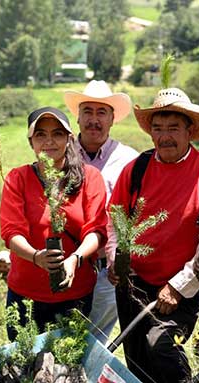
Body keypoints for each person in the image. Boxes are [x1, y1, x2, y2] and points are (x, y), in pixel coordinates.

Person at [107, 88, 199, 383]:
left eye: (173, 129)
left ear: (189, 131)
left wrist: (179, 287)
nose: (164, 137)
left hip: (180, 285)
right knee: (138, 362)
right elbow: (115, 220)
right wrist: (114, 257)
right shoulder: (137, 169)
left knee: (162, 345)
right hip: (133, 282)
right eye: (158, 129)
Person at [0, 107, 107, 340]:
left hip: (75, 294)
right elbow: (11, 231)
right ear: (31, 142)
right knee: (23, 367)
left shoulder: (90, 178)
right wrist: (36, 256)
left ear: (69, 139)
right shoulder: (18, 178)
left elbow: (96, 230)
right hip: (25, 296)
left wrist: (75, 259)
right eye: (40, 135)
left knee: (69, 366)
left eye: (57, 134)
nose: (49, 141)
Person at [64, 80, 139, 342]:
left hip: (107, 267)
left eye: (101, 113)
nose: (93, 120)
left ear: (112, 119)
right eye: (88, 112)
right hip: (66, 263)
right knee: (61, 333)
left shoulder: (129, 159)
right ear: (78, 116)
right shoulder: (60, 155)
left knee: (95, 339)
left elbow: (137, 211)